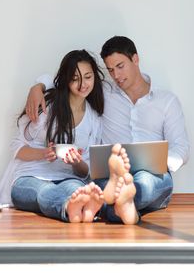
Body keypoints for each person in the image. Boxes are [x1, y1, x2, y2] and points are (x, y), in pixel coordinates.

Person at [25, 36, 190, 221]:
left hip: (151, 174)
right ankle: (125, 209)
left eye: (120, 66)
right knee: (103, 191)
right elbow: (66, 80)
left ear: (135, 59)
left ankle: (124, 200)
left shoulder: (166, 101)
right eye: (110, 70)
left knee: (144, 182)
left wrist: (157, 162)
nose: (116, 76)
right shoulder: (104, 91)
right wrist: (37, 87)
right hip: (111, 176)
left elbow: (181, 149)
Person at [0, 49, 139, 224]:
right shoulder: (47, 106)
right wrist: (44, 153)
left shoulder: (93, 118)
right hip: (29, 177)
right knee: (44, 192)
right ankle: (71, 207)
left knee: (78, 190)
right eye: (75, 79)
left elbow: (85, 170)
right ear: (66, 80)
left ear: (95, 77)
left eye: (88, 77)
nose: (82, 84)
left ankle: (116, 207)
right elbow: (17, 147)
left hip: (68, 178)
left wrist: (76, 162)